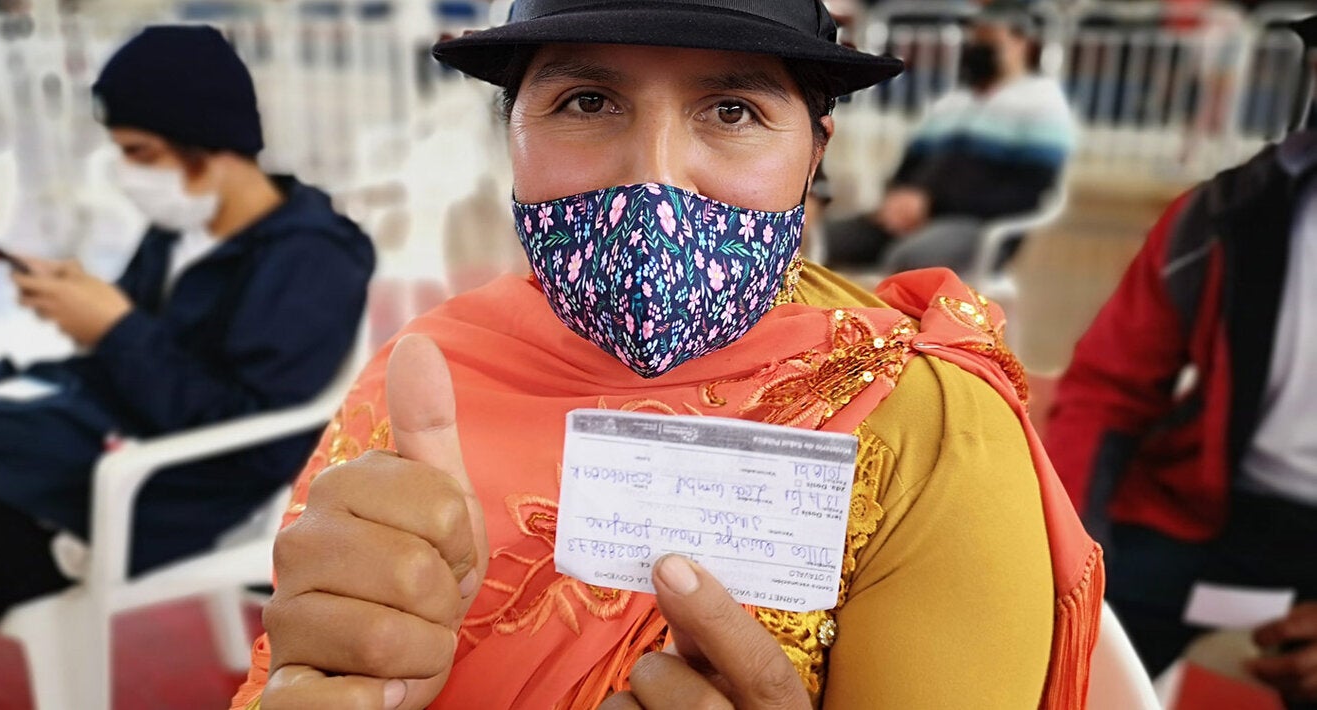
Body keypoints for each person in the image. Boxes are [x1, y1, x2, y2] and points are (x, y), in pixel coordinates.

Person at [232, 2, 1101, 708]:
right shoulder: (427, 380)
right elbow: (291, 673)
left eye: (732, 111)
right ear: (511, 136)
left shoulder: (925, 421)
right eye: (588, 102)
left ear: (814, 155)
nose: (655, 179)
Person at [0, 25, 375, 682]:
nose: (127, 173)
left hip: (147, 491)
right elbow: (128, 348)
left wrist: (115, 327)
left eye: (139, 152)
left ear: (211, 147)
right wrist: (88, 306)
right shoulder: (183, 229)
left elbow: (247, 437)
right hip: (67, 447)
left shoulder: (312, 259)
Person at [1046, 16, 1317, 708]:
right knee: (1046, 653)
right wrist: (1068, 557)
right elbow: (1106, 388)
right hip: (1207, 508)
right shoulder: (1229, 214)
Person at [823, 1, 1076, 275]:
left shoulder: (1043, 104)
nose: (977, 49)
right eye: (975, 40)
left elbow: (1028, 192)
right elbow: (908, 167)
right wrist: (901, 199)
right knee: (818, 240)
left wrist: (933, 205)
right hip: (913, 216)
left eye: (989, 41)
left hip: (979, 225)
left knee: (912, 259)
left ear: (1021, 44)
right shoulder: (951, 103)